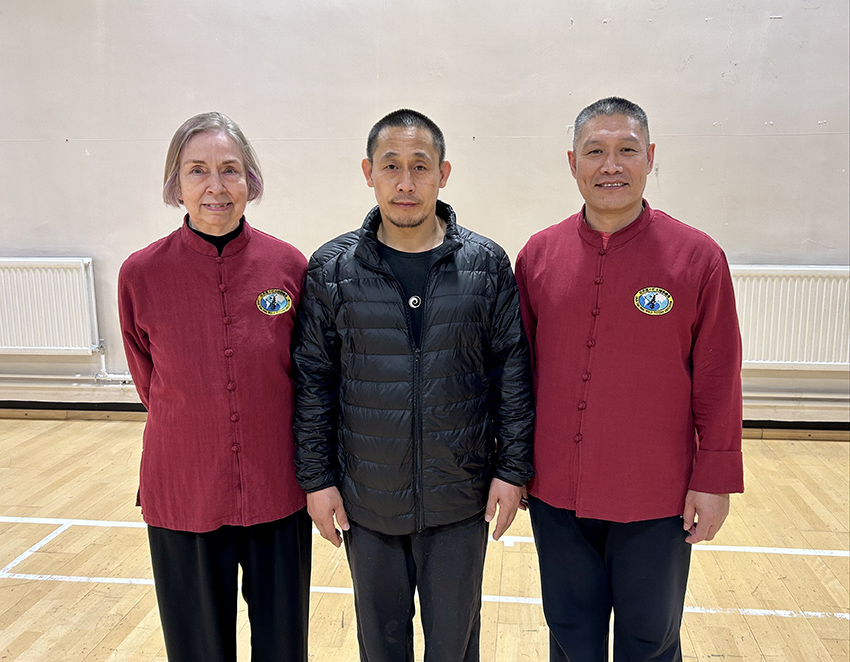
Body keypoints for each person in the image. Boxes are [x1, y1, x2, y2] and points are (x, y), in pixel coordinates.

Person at [292, 108, 534, 662]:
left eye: (420, 167)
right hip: (367, 502)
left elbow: (511, 376)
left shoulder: (486, 264)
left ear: (443, 173)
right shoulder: (331, 269)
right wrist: (317, 479)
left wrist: (511, 469)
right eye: (391, 166)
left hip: (459, 497)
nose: (405, 183)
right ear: (367, 171)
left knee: (454, 647)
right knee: (381, 647)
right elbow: (313, 383)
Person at [515, 97, 744, 662]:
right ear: (573, 162)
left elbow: (719, 377)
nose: (610, 165)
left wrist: (712, 479)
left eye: (626, 150)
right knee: (570, 634)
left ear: (651, 158)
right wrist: (513, 466)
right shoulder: (538, 256)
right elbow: (515, 375)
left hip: (657, 498)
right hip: (557, 495)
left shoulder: (698, 258)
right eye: (595, 151)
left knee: (650, 642)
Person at [118, 112, 311, 662]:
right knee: (197, 648)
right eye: (197, 170)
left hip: (277, 488)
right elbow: (148, 379)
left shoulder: (289, 266)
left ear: (251, 180)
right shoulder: (140, 274)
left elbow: (304, 375)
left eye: (230, 170)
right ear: (175, 184)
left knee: (283, 646)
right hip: (183, 490)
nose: (216, 186)